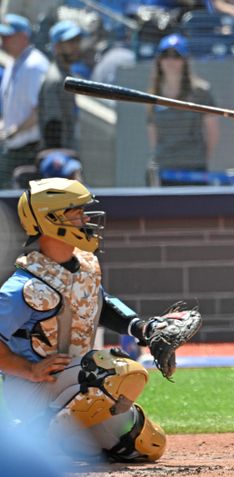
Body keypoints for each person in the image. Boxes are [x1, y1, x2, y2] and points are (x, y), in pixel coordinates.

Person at [0, 178, 198, 462]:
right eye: (75, 213)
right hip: (34, 388)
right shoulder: (24, 285)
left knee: (147, 444)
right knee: (117, 371)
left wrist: (143, 328)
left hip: (76, 383)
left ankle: (64, 441)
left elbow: (98, 303)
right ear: (49, 220)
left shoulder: (83, 267)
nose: (85, 219)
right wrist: (29, 370)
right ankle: (30, 439)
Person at [147, 33, 219, 185]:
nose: (170, 60)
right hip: (165, 169)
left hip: (194, 168)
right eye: (165, 55)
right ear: (159, 60)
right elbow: (153, 134)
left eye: (176, 55)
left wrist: (199, 159)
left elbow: (212, 131)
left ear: (185, 61)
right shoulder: (153, 94)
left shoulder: (201, 92)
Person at [0, 14, 50, 188]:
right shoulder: (14, 62)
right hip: (13, 145)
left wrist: (13, 130)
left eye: (8, 36)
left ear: (23, 37)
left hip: (28, 148)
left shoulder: (34, 64)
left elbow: (39, 110)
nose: (3, 41)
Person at [38, 20, 83, 151]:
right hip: (59, 157)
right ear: (57, 46)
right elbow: (53, 125)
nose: (76, 46)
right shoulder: (55, 79)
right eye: (70, 42)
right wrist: (58, 158)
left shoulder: (66, 74)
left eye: (77, 41)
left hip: (67, 151)